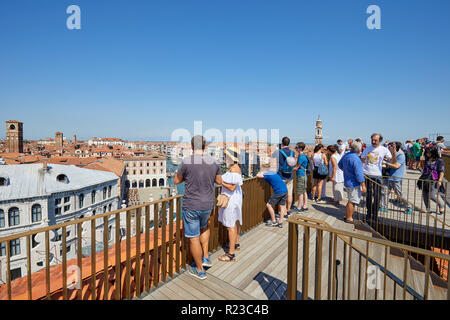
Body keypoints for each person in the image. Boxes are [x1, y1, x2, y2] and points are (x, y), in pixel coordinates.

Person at [174, 135, 222, 280]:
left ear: (192, 146)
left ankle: (199, 270)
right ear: (205, 146)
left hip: (191, 205)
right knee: (205, 227)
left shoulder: (186, 162)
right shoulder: (213, 162)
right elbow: (219, 181)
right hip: (207, 204)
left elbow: (176, 181)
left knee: (193, 237)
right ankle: (206, 257)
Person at [361, 133, 395, 224]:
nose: (373, 141)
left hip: (377, 175)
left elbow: (391, 160)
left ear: (380, 140)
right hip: (367, 174)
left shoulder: (384, 149)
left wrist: (394, 152)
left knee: (377, 196)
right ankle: (368, 214)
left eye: (375, 140)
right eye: (372, 140)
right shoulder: (367, 149)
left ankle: (375, 215)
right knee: (368, 195)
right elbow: (363, 160)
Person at [218, 150, 243, 262]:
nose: (224, 158)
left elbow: (232, 187)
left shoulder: (234, 169)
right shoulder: (235, 167)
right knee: (235, 221)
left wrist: (220, 181)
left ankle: (231, 254)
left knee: (230, 226)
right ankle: (236, 243)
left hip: (231, 200)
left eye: (226, 156)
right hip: (235, 199)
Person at [380, 142, 412, 214]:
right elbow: (387, 166)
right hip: (388, 177)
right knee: (384, 192)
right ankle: (383, 207)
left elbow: (396, 166)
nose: (388, 147)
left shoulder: (401, 155)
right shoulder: (389, 155)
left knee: (399, 194)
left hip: (396, 178)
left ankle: (408, 206)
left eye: (390, 146)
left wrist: (386, 163)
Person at [338, 142, 367, 223]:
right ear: (359, 150)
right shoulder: (356, 159)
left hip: (347, 181)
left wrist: (347, 171)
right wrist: (363, 185)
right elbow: (359, 174)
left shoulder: (346, 155)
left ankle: (347, 215)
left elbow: (339, 165)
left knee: (350, 200)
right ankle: (349, 218)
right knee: (352, 201)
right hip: (354, 183)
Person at [257, 163, 288, 228]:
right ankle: (280, 222)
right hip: (285, 190)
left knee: (269, 205)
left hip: (279, 191)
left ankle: (274, 221)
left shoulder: (267, 174)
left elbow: (258, 175)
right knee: (282, 206)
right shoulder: (272, 172)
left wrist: (260, 172)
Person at [421, 147, 446, 215]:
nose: (427, 154)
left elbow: (442, 171)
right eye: (426, 153)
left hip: (434, 179)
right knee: (425, 194)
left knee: (431, 195)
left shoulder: (439, 161)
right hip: (425, 178)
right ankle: (428, 209)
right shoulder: (427, 159)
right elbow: (424, 168)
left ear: (433, 153)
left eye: (429, 153)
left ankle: (441, 205)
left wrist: (440, 180)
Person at [275, 137, 295, 214]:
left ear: (282, 143)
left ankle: (283, 212)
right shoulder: (292, 152)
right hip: (290, 176)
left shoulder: (278, 152)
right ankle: (288, 209)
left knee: (282, 195)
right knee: (289, 194)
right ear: (288, 143)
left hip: (281, 176)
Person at [294, 142, 309, 212]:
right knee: (304, 191)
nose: (295, 148)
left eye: (296, 147)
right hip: (304, 174)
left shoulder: (301, 156)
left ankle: (299, 207)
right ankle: (305, 206)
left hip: (301, 175)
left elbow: (296, 167)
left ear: (300, 148)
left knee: (300, 192)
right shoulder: (304, 155)